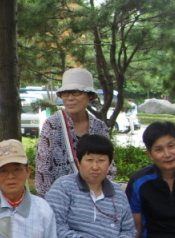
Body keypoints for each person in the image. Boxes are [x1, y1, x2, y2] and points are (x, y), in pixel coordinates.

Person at [35, 68, 115, 197]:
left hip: (92, 197)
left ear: (89, 95)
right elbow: (43, 170)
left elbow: (109, 165)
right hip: (60, 197)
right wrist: (48, 201)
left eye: (76, 92)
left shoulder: (99, 127)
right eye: (65, 94)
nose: (70, 98)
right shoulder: (52, 125)